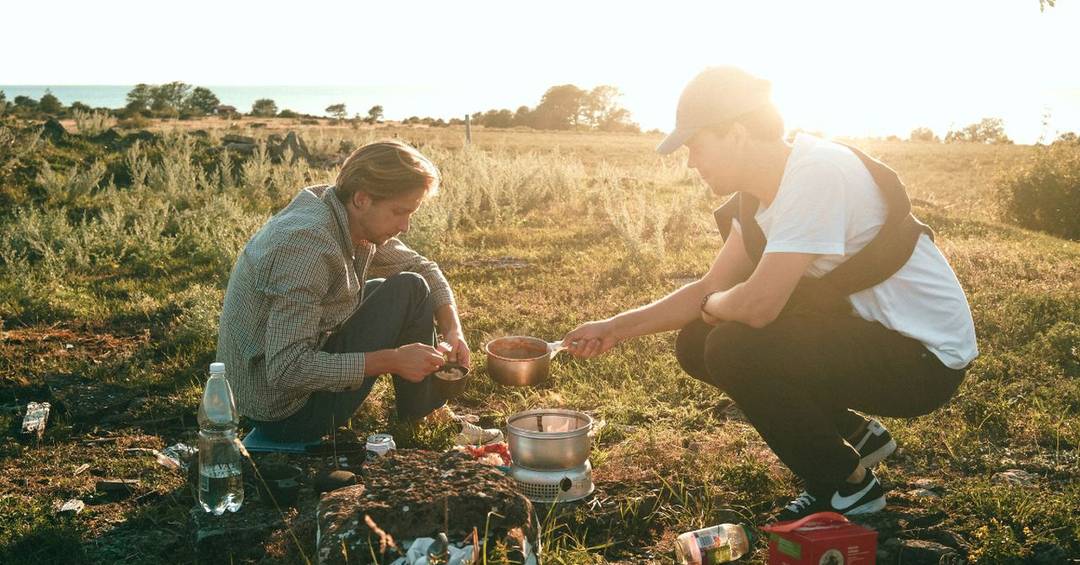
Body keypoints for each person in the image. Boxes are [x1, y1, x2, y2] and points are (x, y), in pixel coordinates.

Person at [563, 66, 977, 520]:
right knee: (698, 343)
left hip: (924, 362)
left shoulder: (817, 173)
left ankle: (847, 485)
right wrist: (614, 328)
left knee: (733, 345)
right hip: (868, 336)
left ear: (737, 133)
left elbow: (757, 307)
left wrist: (711, 307)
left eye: (696, 145)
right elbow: (708, 288)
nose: (691, 162)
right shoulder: (757, 198)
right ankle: (858, 435)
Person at [217, 141, 500, 446]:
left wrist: (452, 329)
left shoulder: (340, 210)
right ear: (363, 199)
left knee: (410, 287)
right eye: (399, 212)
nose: (405, 226)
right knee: (407, 289)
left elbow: (423, 268)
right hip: (285, 414)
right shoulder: (307, 248)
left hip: (288, 377)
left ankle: (424, 412)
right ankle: (424, 413)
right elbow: (286, 369)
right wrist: (391, 360)